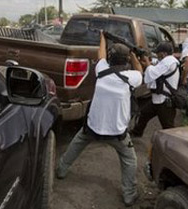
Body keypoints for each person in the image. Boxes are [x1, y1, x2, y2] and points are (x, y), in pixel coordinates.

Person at [56, 31, 143, 207]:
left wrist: (103, 37)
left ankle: (61, 170)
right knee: (129, 159)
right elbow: (140, 70)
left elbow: (100, 54)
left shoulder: (101, 71)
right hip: (117, 133)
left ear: (110, 59)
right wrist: (134, 57)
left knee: (76, 144)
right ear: (126, 60)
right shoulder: (131, 78)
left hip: (92, 127)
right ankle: (129, 194)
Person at [130, 42, 179, 137]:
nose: (157, 54)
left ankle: (173, 146)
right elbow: (155, 69)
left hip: (165, 101)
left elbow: (152, 72)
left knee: (168, 128)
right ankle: (137, 132)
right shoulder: (167, 61)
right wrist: (147, 63)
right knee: (144, 114)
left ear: (164, 53)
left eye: (159, 53)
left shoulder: (169, 61)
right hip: (158, 99)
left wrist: (147, 64)